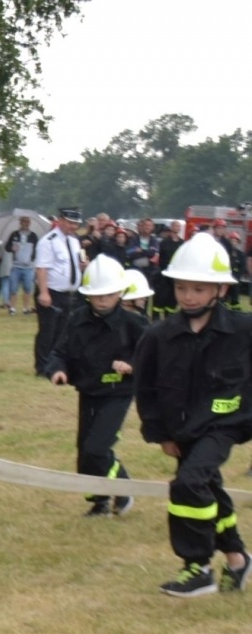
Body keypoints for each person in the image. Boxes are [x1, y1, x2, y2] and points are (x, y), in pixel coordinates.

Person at [133, 232, 252, 597]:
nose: (189, 296)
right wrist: (160, 433)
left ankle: (197, 567)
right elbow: (146, 387)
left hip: (223, 425)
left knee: (188, 485)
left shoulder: (244, 330)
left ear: (220, 291)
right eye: (183, 288)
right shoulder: (158, 335)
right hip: (180, 429)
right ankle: (237, 558)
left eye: (199, 289)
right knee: (207, 485)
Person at [45, 254, 146, 518]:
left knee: (98, 447)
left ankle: (124, 488)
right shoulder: (77, 320)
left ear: (120, 292)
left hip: (118, 393)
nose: (102, 300)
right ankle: (99, 500)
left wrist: (131, 365)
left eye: (109, 294)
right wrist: (57, 371)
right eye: (96, 294)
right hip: (88, 392)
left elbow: (153, 355)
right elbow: (60, 352)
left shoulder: (134, 323)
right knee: (85, 451)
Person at [34, 208, 85, 376]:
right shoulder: (49, 240)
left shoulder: (74, 241)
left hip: (68, 293)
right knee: (48, 331)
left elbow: (74, 263)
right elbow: (42, 268)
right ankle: (42, 368)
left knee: (63, 332)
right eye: (70, 223)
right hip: (52, 291)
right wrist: (44, 292)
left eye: (76, 224)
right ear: (61, 220)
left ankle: (55, 364)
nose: (73, 227)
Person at [1, 215, 38, 315]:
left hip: (28, 267)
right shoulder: (14, 235)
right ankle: (12, 307)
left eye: (27, 222)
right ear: (20, 223)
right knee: (13, 288)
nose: (25, 224)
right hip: (16, 266)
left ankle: (26, 308)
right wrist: (12, 248)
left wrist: (32, 258)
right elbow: (7, 247)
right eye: (23, 222)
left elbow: (37, 249)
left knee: (27, 288)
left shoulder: (33, 236)